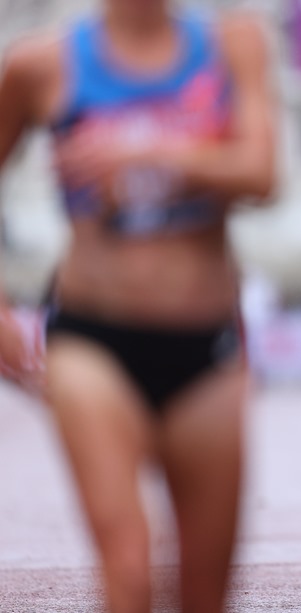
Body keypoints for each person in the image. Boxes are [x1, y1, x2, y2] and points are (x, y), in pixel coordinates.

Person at [0, 0, 275, 610]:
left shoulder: (235, 45)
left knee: (203, 595)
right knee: (127, 570)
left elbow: (261, 172)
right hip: (91, 339)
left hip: (206, 346)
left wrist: (148, 151)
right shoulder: (41, 64)